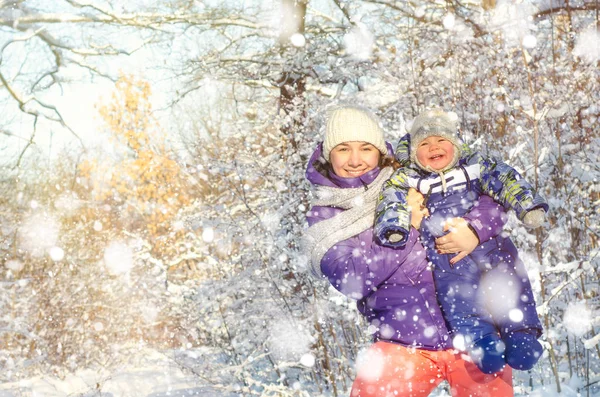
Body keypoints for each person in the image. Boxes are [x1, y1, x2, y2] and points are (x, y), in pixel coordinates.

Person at [303, 105, 514, 396]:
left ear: (380, 151)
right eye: (343, 149)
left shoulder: (413, 176)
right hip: (402, 342)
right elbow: (352, 279)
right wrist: (407, 227)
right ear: (329, 154)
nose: (355, 160)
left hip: (476, 331)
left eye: (365, 148)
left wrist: (474, 231)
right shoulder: (326, 214)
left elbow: (493, 195)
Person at [374, 108, 547, 374]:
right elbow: (392, 198)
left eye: (441, 140)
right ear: (413, 154)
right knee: (458, 299)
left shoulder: (475, 166)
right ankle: (481, 341)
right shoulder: (409, 179)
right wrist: (395, 225)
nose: (434, 147)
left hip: (492, 249)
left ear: (455, 143)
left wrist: (527, 204)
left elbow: (505, 179)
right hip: (448, 257)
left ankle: (521, 333)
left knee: (509, 284)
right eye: (424, 143)